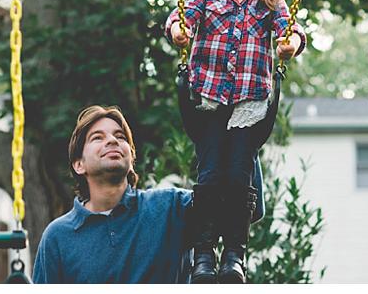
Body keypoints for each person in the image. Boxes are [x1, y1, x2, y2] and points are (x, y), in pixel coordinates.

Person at [143, 0, 306, 283]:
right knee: (212, 172)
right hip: (209, 99)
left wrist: (289, 44)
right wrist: (178, 32)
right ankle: (203, 255)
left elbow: (292, 30)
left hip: (250, 102)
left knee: (238, 175)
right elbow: (178, 19)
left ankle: (234, 255)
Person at [31, 104, 265, 283]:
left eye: (120, 136)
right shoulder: (58, 238)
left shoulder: (171, 208)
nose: (112, 140)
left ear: (131, 159)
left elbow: (243, 210)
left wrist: (243, 136)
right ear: (78, 164)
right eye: (98, 138)